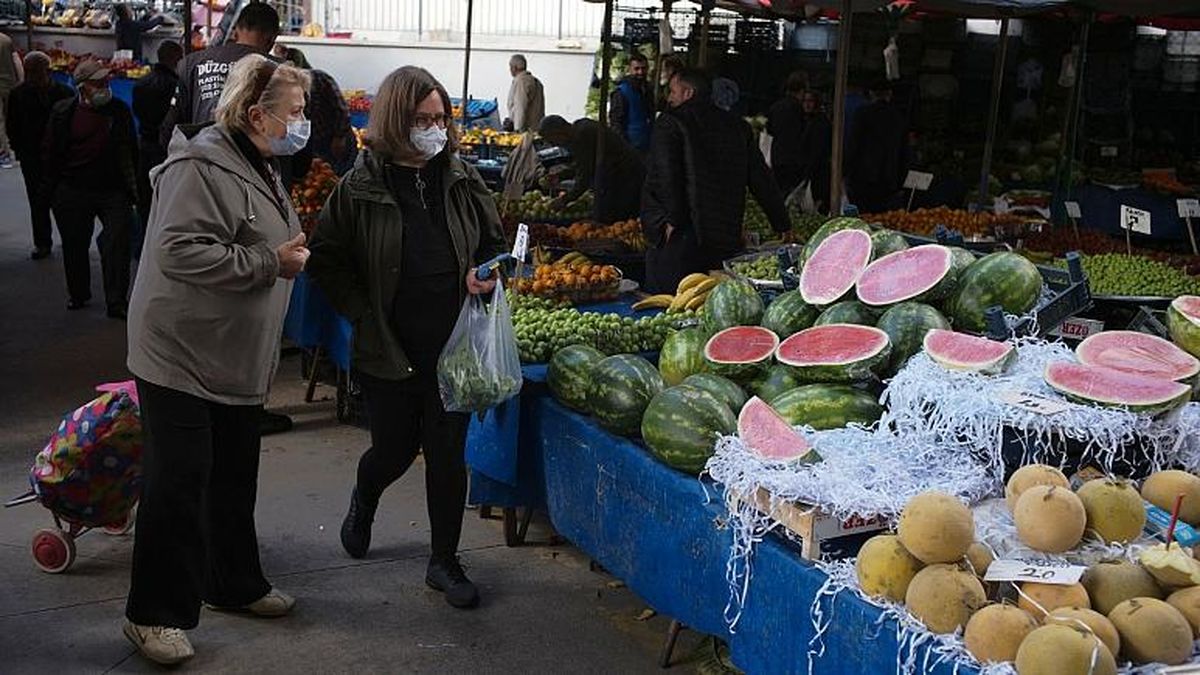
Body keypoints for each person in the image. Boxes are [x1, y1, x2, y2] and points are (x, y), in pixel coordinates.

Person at [123, 55, 311, 666]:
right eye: (295, 112)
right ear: (258, 115)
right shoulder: (197, 166)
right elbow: (178, 250)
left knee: (233, 475)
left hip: (232, 354)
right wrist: (268, 264)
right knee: (178, 481)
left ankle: (233, 583)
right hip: (180, 351)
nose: (300, 122)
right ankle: (152, 616)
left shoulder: (258, 160)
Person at [306, 66, 507, 610]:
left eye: (441, 119)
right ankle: (365, 494)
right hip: (389, 347)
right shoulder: (360, 187)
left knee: (447, 454)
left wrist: (485, 273)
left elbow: (495, 245)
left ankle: (443, 561)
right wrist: (362, 316)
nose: (434, 129)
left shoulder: (463, 180)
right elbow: (326, 260)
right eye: (422, 119)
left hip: (454, 347)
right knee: (393, 451)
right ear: (396, 120)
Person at [641, 68, 789, 294]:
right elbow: (761, 178)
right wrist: (781, 222)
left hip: (681, 235)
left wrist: (670, 220)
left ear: (688, 92)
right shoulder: (737, 126)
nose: (669, 97)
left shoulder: (670, 123)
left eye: (672, 91)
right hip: (723, 234)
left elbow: (666, 175)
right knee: (713, 304)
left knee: (671, 301)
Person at [41, 59, 138, 318]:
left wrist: (134, 189)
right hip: (72, 189)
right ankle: (78, 293)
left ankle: (116, 300)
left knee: (117, 245)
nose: (105, 87)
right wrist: (51, 192)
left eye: (106, 81)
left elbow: (130, 149)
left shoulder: (118, 111)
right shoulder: (63, 112)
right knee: (75, 245)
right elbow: (51, 153)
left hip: (113, 190)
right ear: (83, 87)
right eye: (98, 83)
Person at [161, 1, 279, 144]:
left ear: (235, 32)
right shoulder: (281, 71)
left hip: (202, 157)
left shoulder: (193, 63)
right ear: (272, 40)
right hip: (254, 162)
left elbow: (169, 130)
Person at [5, 51, 73, 259]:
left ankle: (70, 240)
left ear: (48, 71)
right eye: (29, 71)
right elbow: (12, 124)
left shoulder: (64, 93)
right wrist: (19, 149)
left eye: (35, 71)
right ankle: (42, 242)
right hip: (31, 154)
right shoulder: (18, 94)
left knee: (63, 199)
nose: (32, 75)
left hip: (59, 155)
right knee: (37, 199)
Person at [538, 114, 645, 224]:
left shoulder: (582, 135)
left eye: (552, 140)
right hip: (622, 174)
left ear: (558, 132)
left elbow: (584, 176)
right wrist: (561, 176)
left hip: (626, 176)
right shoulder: (580, 128)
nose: (554, 144)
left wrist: (564, 200)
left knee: (618, 220)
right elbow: (584, 164)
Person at [132, 40, 184, 255]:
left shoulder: (140, 83)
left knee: (145, 202)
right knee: (167, 204)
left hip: (145, 145)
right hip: (167, 151)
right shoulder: (177, 86)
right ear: (175, 59)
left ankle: (144, 244)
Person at [845, 79, 909, 213]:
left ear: (871, 94)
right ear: (889, 94)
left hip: (862, 178)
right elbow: (904, 152)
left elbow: (853, 145)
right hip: (888, 179)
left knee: (863, 216)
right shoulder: (897, 117)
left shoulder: (862, 113)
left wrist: (847, 172)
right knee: (882, 218)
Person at [766, 70, 809, 196]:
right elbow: (803, 134)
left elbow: (770, 130)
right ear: (802, 90)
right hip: (794, 158)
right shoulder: (799, 109)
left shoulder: (775, 107)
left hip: (777, 156)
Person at [793, 89, 833, 212]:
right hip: (814, 171)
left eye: (810, 101)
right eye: (805, 101)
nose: (807, 104)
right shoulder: (811, 121)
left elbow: (817, 151)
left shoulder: (819, 123)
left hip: (818, 173)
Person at [610, 52, 654, 152]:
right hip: (630, 146)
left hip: (647, 144)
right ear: (629, 69)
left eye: (643, 68)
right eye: (636, 69)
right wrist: (624, 146)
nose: (640, 72)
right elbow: (616, 122)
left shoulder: (648, 89)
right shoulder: (622, 92)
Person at [504, 54, 544, 133]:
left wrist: (518, 130)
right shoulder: (537, 82)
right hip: (536, 129)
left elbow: (520, 107)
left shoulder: (521, 81)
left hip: (525, 132)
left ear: (514, 67)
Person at [0, 30, 22, 169]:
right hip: (9, 86)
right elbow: (17, 62)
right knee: (11, 118)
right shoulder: (6, 40)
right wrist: (21, 81)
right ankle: (15, 148)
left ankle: (3, 154)